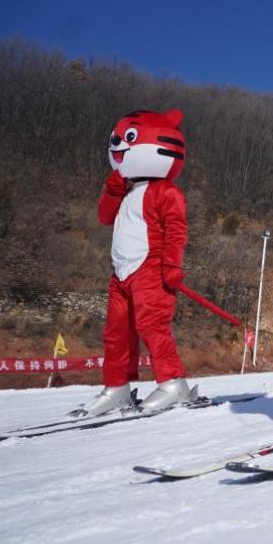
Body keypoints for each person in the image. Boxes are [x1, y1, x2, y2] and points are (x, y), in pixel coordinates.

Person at [78, 109, 195, 417]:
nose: (118, 144)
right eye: (117, 139)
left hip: (150, 269)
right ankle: (116, 387)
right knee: (116, 332)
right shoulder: (127, 192)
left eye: (129, 138)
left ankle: (173, 383)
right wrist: (112, 191)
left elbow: (175, 229)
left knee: (152, 325)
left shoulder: (166, 192)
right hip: (121, 272)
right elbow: (104, 217)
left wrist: (171, 265)